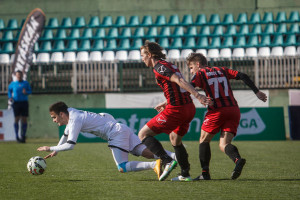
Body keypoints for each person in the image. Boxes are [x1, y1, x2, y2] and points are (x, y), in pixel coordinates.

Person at [37, 101, 176, 179]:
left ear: (61, 114)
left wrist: (50, 148)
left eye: (54, 117)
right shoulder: (72, 112)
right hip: (121, 128)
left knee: (122, 167)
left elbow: (70, 145)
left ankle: (154, 165)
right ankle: (174, 157)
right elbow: (66, 135)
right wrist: (56, 151)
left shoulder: (74, 119)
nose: (54, 121)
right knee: (146, 152)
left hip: (115, 133)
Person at [186, 53, 267, 180]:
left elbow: (188, 87)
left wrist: (197, 97)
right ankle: (237, 160)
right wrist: (257, 92)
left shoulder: (200, 73)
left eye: (191, 68)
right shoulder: (222, 69)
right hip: (233, 110)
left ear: (198, 64)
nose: (191, 72)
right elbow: (243, 75)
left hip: (217, 111)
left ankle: (205, 173)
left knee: (204, 140)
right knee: (224, 143)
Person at [138, 41, 212, 181]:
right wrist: (166, 102)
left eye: (143, 55)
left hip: (177, 109)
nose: (142, 59)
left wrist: (198, 95)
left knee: (143, 134)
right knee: (175, 138)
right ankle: (185, 174)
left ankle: (166, 160)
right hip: (188, 108)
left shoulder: (160, 67)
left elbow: (179, 81)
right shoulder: (167, 65)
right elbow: (180, 86)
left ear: (150, 54)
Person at [8, 70, 32, 143]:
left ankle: (23, 136)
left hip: (24, 103)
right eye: (17, 75)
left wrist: (26, 92)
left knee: (24, 119)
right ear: (16, 76)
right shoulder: (13, 84)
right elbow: (9, 91)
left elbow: (30, 91)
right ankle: (17, 136)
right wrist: (10, 97)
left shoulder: (25, 83)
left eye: (20, 75)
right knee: (17, 119)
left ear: (22, 75)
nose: (19, 76)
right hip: (16, 103)